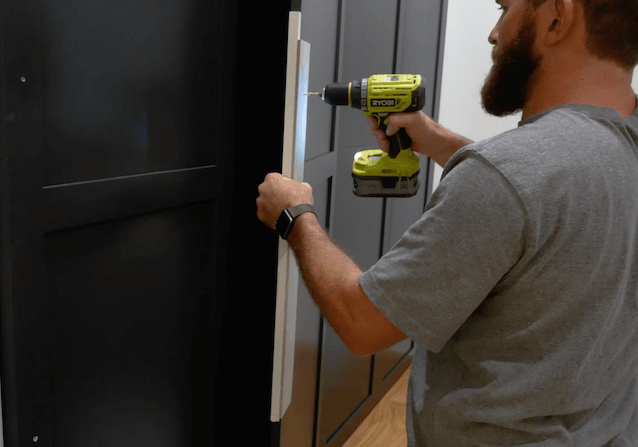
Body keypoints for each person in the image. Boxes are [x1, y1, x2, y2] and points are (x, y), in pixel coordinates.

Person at [256, 0, 638, 445]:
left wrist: (294, 214)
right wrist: (440, 143)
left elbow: (361, 322)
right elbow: (544, 193)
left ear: (556, 16)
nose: (494, 34)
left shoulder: (506, 177)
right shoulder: (614, 148)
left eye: (505, 8)